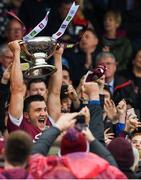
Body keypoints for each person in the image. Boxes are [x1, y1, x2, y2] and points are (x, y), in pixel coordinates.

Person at [7, 40, 63, 140]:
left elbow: (55, 92)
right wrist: (16, 52)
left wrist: (58, 56)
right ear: (26, 115)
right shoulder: (18, 127)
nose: (43, 113)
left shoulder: (51, 123)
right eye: (38, 110)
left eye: (45, 109)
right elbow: (17, 91)